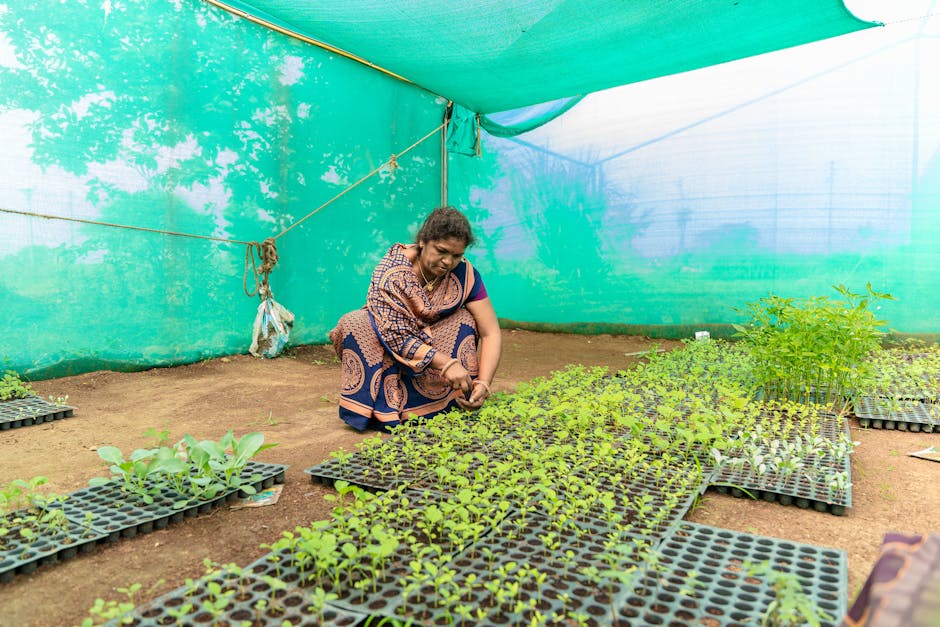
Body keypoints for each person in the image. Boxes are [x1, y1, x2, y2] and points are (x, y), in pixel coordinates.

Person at [329, 206, 502, 431]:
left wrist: (484, 383)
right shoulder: (391, 271)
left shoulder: (465, 275)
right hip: (390, 343)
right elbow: (397, 337)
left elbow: (491, 332)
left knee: (465, 319)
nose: (448, 261)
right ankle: (376, 409)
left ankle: (450, 399)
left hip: (430, 346)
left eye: (457, 255)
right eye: (441, 251)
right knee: (355, 322)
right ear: (423, 241)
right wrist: (447, 363)